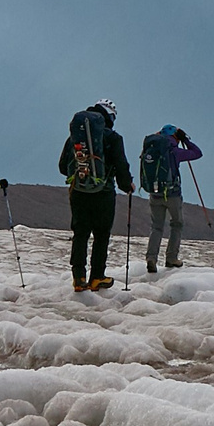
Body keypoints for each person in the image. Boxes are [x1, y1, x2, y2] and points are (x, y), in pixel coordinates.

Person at [59, 99, 133, 290]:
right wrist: (127, 186)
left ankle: (78, 278)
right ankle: (97, 277)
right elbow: (121, 166)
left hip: (78, 191)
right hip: (104, 194)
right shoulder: (114, 138)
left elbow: (62, 166)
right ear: (111, 116)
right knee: (101, 235)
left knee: (80, 233)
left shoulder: (74, 138)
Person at [138, 124, 204, 275]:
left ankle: (151, 258)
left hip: (154, 194)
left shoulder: (150, 148)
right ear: (175, 136)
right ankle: (171, 258)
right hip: (172, 194)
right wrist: (185, 139)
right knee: (176, 224)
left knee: (156, 227)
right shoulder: (175, 151)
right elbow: (197, 153)